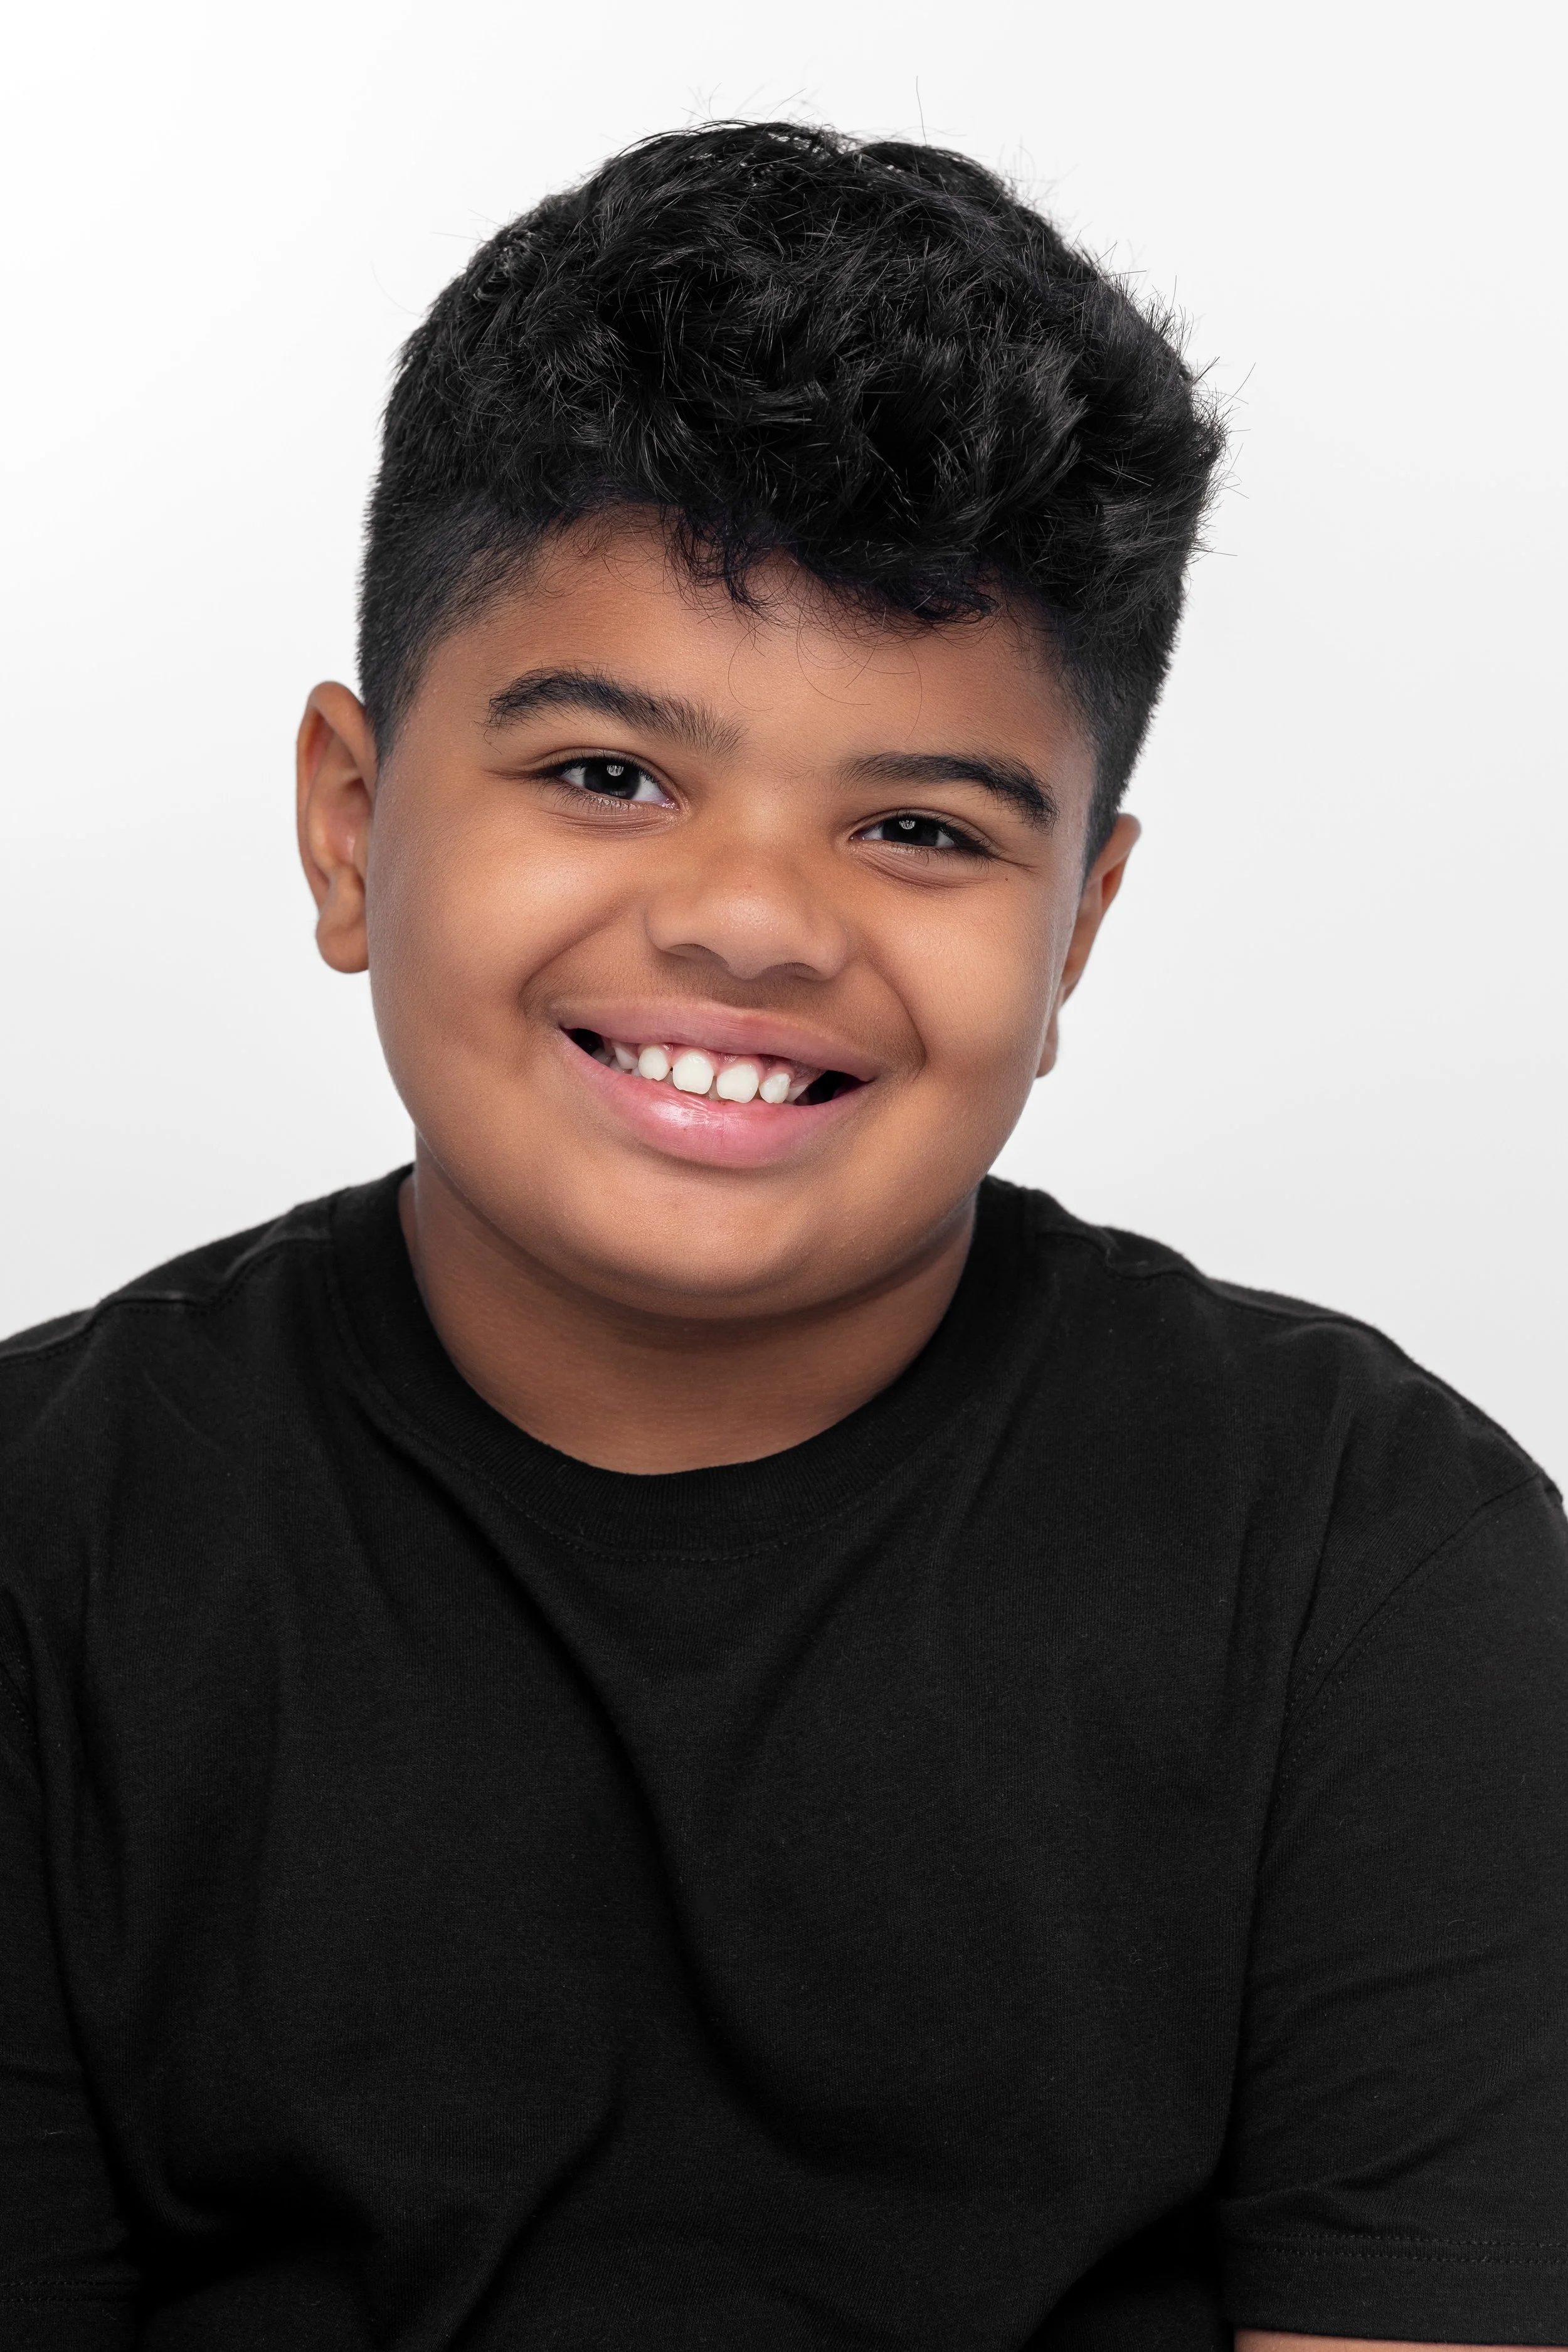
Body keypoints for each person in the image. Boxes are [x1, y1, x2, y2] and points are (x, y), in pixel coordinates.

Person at [0, 120, 1562, 2352]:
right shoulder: (49, 1542)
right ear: (352, 832)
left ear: (1074, 933)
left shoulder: (1370, 1558)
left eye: (918, 825)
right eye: (606, 774)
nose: (745, 920)